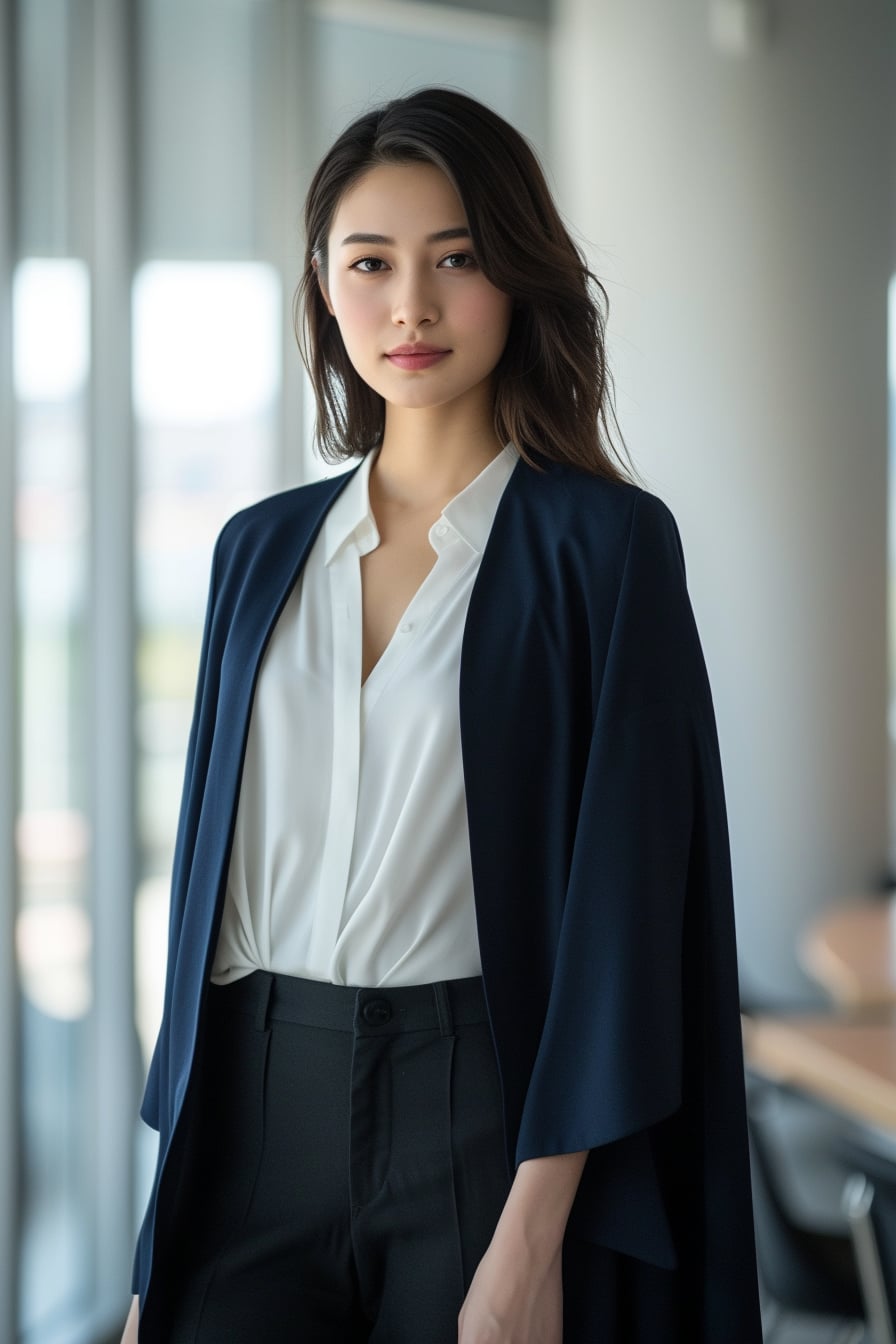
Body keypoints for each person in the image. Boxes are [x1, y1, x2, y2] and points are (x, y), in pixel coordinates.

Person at [122, 87, 761, 1343]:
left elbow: (622, 915)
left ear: (517, 277)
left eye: (455, 259)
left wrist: (532, 1238)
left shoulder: (606, 548)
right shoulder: (256, 553)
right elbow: (206, 901)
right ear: (321, 288)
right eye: (370, 264)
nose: (408, 305)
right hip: (251, 1115)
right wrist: (159, 1251)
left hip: (481, 1124)